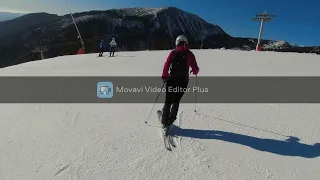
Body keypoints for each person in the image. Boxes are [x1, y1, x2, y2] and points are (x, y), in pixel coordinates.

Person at [161, 35, 199, 132]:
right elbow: (196, 70)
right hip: (183, 82)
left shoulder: (173, 53)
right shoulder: (190, 54)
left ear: (177, 43)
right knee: (176, 100)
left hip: (171, 80)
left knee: (168, 101)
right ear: (186, 43)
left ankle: (164, 121)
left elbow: (167, 64)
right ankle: (172, 119)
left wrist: (164, 76)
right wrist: (193, 72)